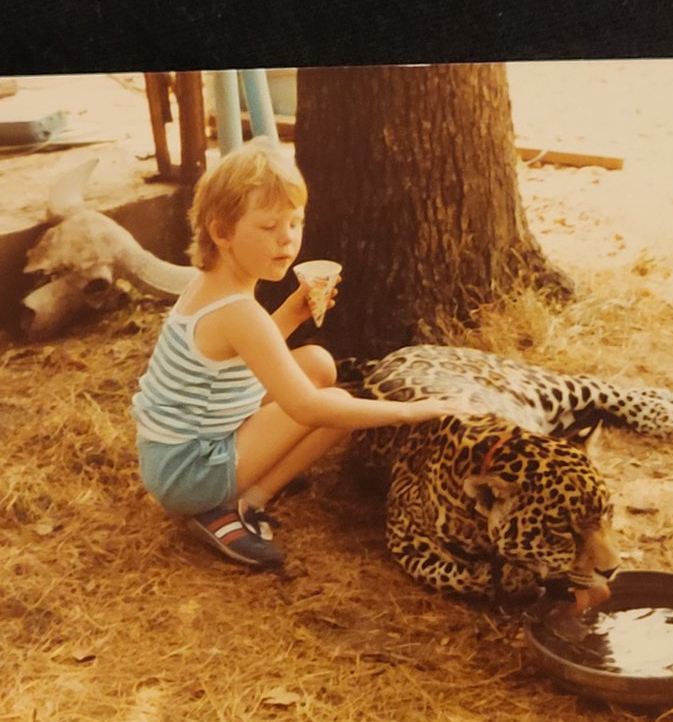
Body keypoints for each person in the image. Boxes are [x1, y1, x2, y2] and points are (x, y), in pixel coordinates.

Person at [132, 137, 471, 570]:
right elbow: (308, 408)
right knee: (336, 404)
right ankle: (235, 506)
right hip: (190, 473)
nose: (287, 240)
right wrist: (412, 411)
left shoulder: (210, 286)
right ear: (222, 231)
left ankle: (238, 488)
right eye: (269, 226)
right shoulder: (237, 310)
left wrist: (292, 312)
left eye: (295, 223)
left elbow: (239, 355)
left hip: (172, 455)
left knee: (317, 364)